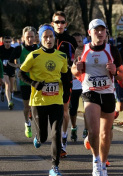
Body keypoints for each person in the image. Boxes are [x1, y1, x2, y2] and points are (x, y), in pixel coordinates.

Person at [71, 19, 123, 176]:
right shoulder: (82, 49)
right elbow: (73, 70)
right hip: (90, 93)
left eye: (102, 30)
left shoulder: (112, 50)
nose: (100, 33)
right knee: (94, 131)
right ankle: (95, 161)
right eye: (96, 30)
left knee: (105, 134)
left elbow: (122, 75)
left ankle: (103, 164)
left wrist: (115, 71)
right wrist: (76, 68)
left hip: (108, 93)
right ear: (90, 32)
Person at [19, 24, 68, 176]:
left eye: (51, 36)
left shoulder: (62, 56)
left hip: (56, 100)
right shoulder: (34, 55)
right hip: (38, 102)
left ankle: (54, 167)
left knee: (56, 134)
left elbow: (66, 77)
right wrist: (34, 83)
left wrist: (66, 95)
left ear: (54, 38)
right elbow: (21, 73)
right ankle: (38, 138)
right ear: (40, 39)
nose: (48, 40)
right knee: (44, 137)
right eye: (45, 37)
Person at [51, 11, 78, 158]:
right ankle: (55, 136)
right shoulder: (48, 38)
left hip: (65, 79)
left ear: (66, 24)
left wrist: (72, 67)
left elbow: (76, 58)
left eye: (62, 22)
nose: (59, 25)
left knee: (64, 110)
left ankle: (63, 137)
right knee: (52, 111)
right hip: (49, 80)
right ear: (52, 24)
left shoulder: (70, 40)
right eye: (57, 22)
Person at [9, 26, 38, 138]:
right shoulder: (19, 49)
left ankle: (38, 130)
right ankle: (27, 123)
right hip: (25, 81)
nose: (30, 39)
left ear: (35, 37)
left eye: (32, 37)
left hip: (37, 81)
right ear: (23, 37)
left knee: (37, 107)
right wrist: (18, 66)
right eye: (27, 37)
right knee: (27, 106)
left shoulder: (39, 48)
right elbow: (10, 62)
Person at [69, 32, 83, 142]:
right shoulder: (68, 52)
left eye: (80, 41)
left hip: (85, 85)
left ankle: (87, 129)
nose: (78, 44)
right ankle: (73, 127)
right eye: (75, 42)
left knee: (88, 108)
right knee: (72, 109)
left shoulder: (86, 51)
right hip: (73, 86)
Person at [0, 36, 16, 110]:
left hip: (11, 69)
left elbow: (16, 59)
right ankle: (9, 102)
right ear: (3, 42)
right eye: (6, 42)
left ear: (11, 42)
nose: (8, 43)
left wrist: (17, 66)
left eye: (9, 42)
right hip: (3, 69)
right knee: (7, 83)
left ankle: (3, 90)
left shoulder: (13, 50)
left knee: (11, 88)